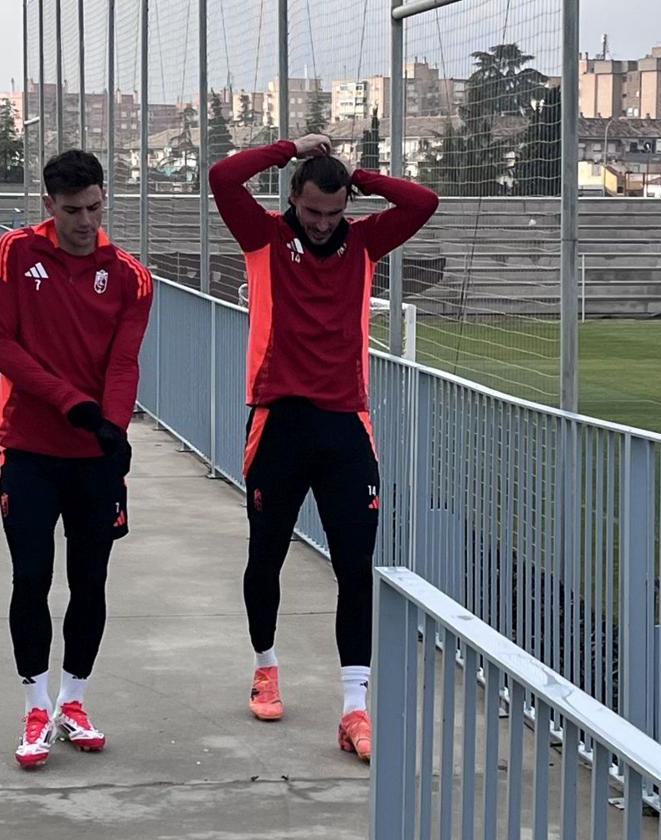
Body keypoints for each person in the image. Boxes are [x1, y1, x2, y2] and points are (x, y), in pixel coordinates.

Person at [209, 134, 439, 761]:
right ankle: (265, 666)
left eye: (333, 214)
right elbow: (223, 176)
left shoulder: (363, 243)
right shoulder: (263, 237)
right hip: (278, 423)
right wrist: (287, 147)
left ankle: (354, 709)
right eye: (312, 213)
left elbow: (423, 201)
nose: (321, 225)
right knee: (267, 557)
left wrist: (363, 175)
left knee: (353, 569)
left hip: (345, 427)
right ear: (293, 200)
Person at [0, 149, 153, 769]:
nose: (87, 221)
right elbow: (1, 344)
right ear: (48, 206)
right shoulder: (14, 253)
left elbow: (124, 360)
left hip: (94, 457)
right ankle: (35, 704)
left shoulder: (131, 275)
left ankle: (73, 700)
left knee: (90, 580)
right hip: (28, 448)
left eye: (96, 208)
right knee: (30, 576)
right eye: (74, 210)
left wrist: (109, 425)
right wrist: (71, 404)